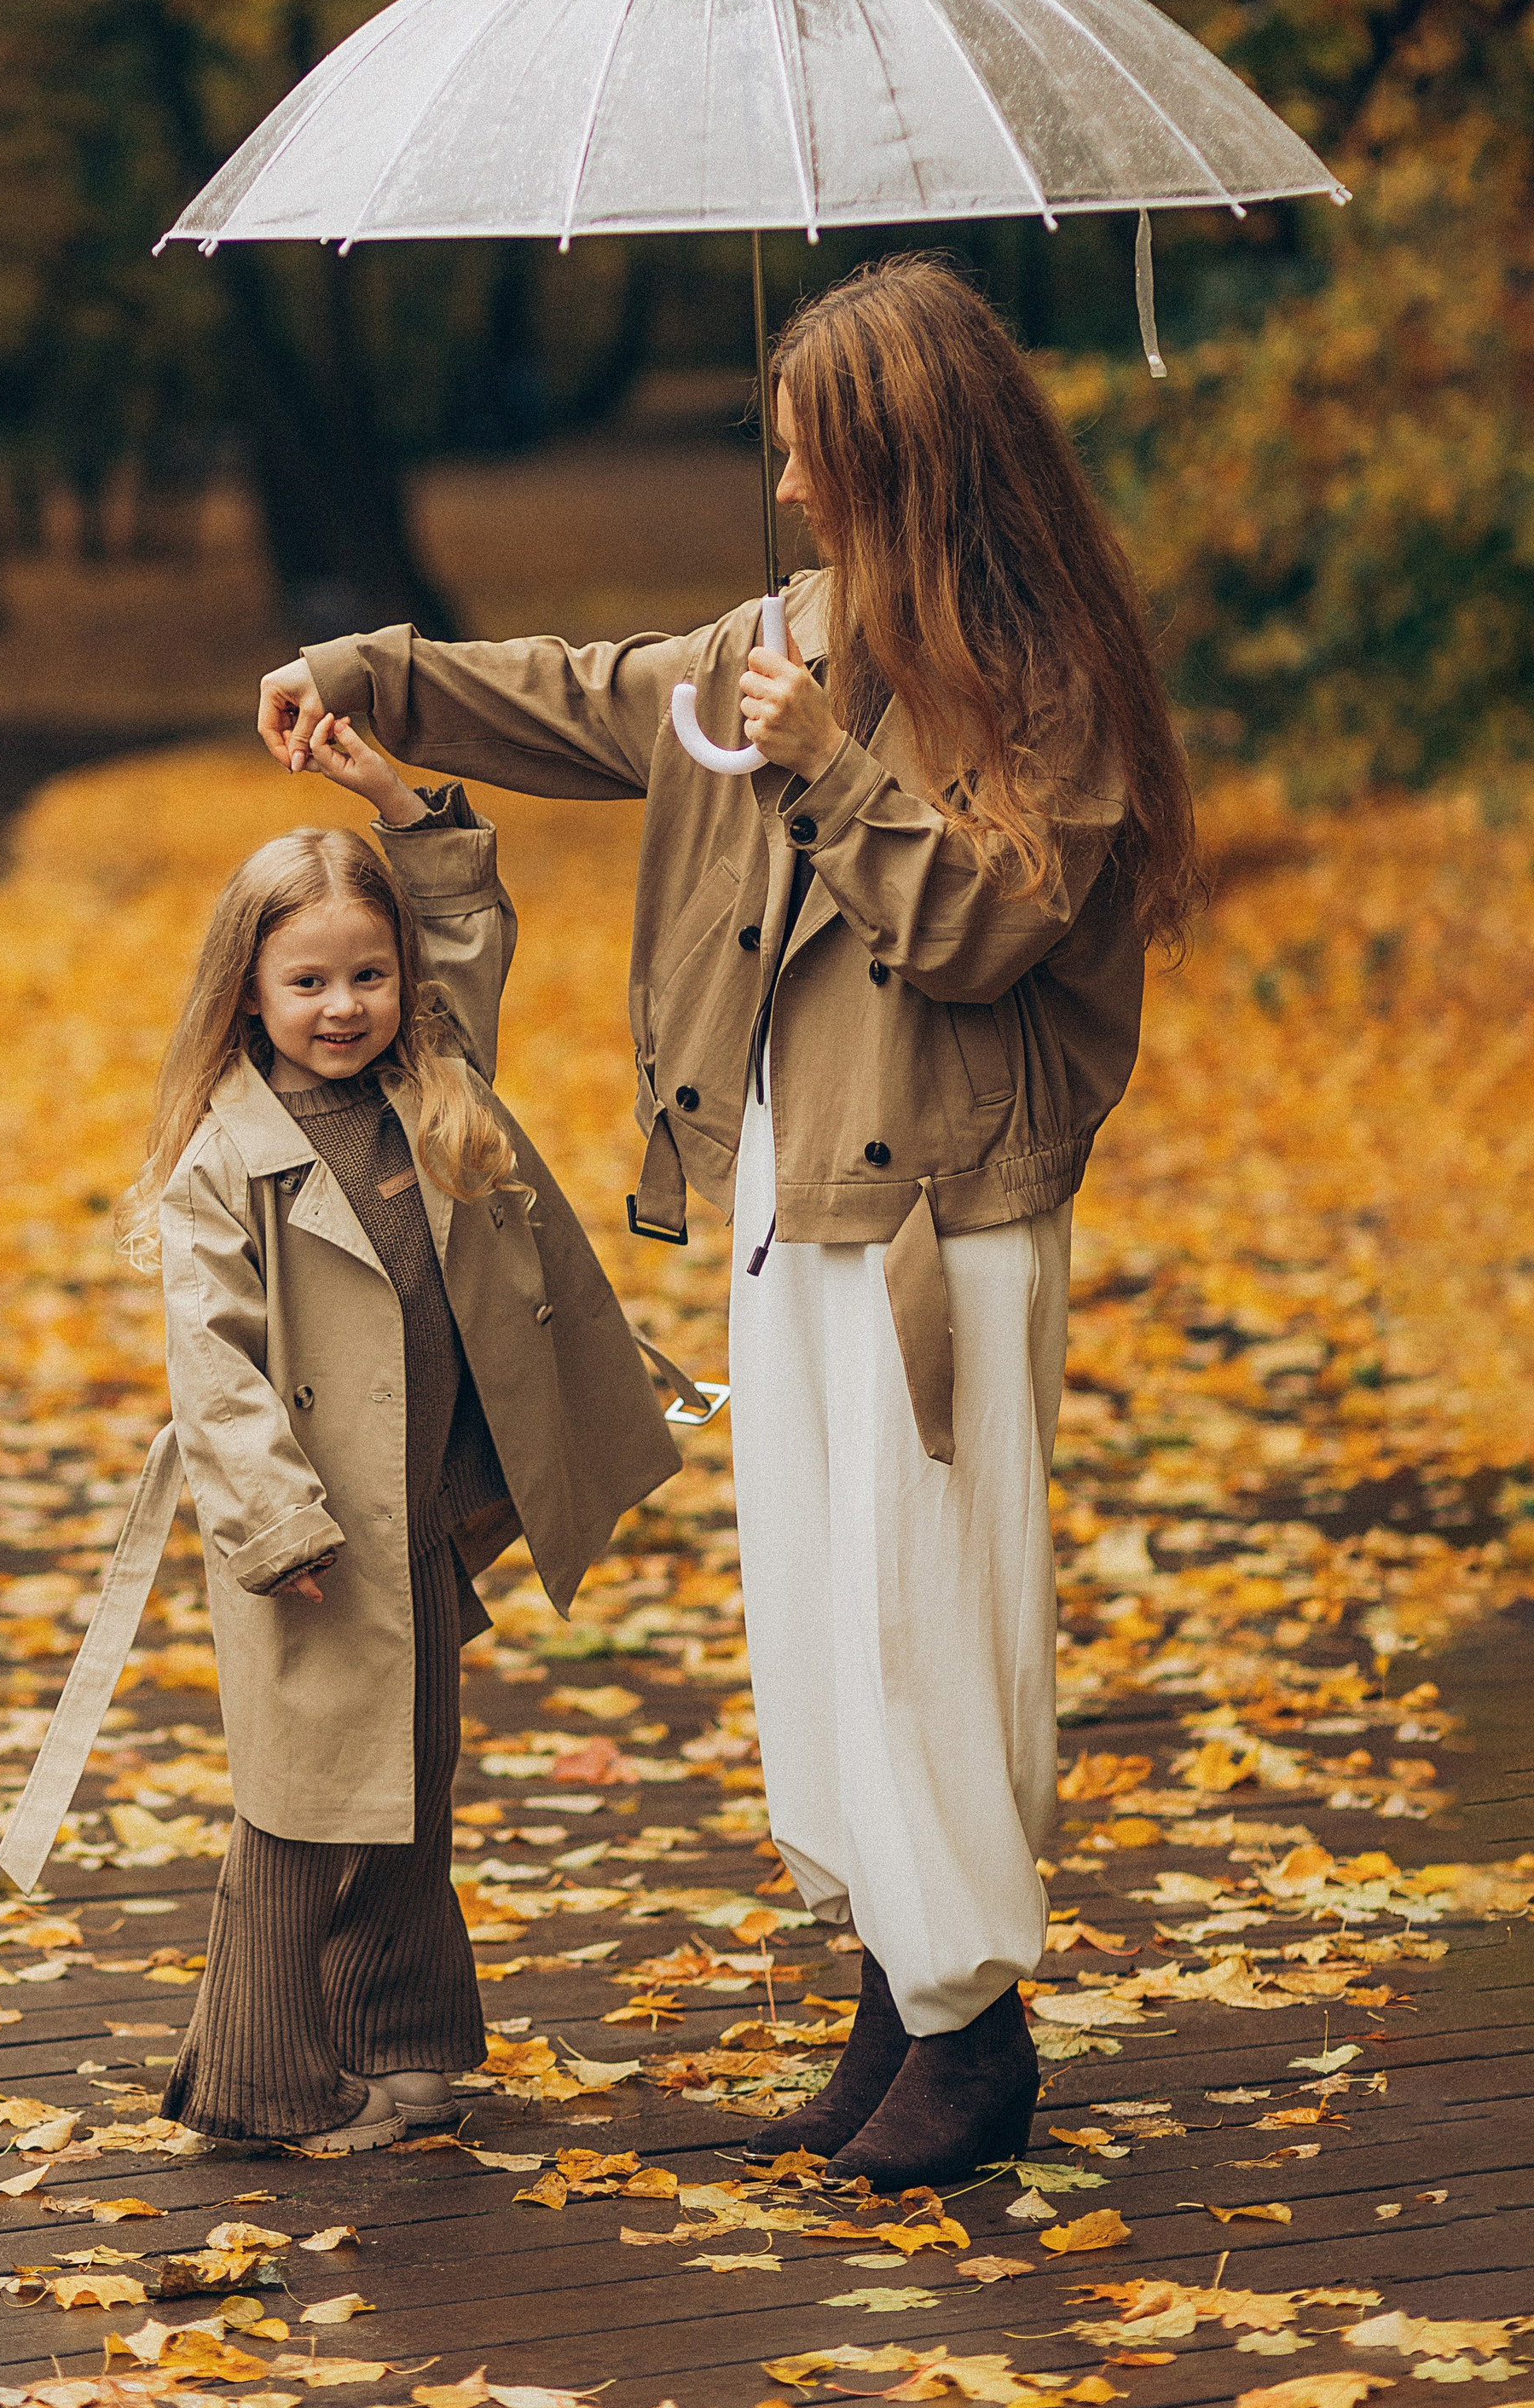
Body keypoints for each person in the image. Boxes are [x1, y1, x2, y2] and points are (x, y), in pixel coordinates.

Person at [258, 254, 1200, 2189]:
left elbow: (977, 924)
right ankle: (894, 1983)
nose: (782, 493)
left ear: (894, 459)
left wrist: (819, 762)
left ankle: (971, 2025)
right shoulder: (777, 638)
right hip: (789, 1195)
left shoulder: (1044, 676)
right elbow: (586, 699)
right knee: (817, 1612)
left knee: (924, 1611)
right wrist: (368, 676)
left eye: (805, 458)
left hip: (943, 1222)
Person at [118, 716, 680, 2154]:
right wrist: (275, 1526)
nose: (343, 1005)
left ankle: (411, 2047)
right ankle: (260, 2079)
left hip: (416, 1510)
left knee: (412, 1786)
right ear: (246, 992)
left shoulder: (434, 1091)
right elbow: (217, 1371)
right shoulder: (221, 1165)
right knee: (301, 1810)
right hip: (308, 1531)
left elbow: (469, 928)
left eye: (369, 975)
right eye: (306, 981)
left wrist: (400, 803)